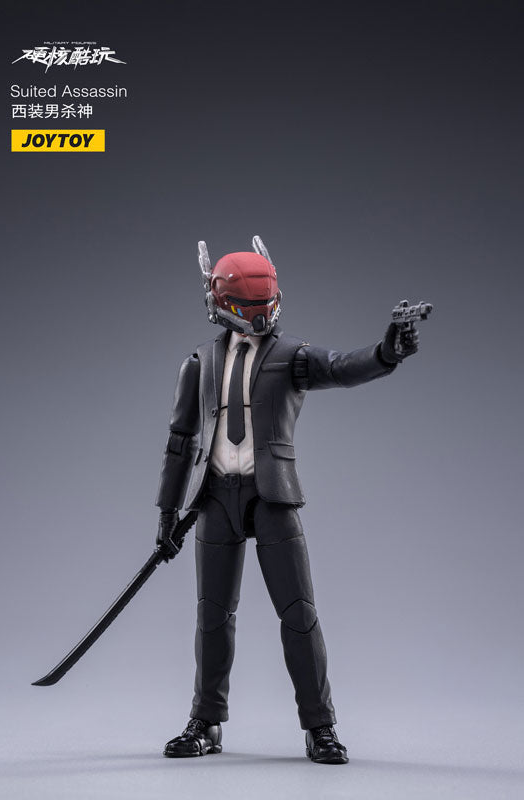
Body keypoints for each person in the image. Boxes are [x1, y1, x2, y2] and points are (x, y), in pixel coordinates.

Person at [155, 236, 419, 763]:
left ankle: (320, 726)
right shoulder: (200, 362)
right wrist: (167, 512)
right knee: (212, 617)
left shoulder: (291, 356)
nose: (260, 318)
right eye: (250, 308)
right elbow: (181, 441)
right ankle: (205, 721)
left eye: (265, 307)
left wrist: (386, 352)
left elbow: (340, 366)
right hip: (215, 498)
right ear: (224, 305)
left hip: (272, 496)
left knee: (299, 613)